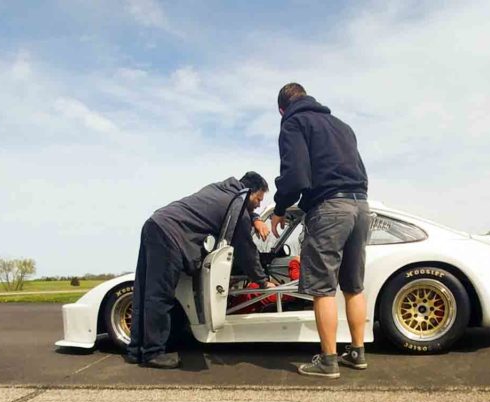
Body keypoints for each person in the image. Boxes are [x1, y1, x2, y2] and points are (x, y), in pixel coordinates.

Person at [270, 83, 369, 379]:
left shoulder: (294, 123)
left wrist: (279, 208)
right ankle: (357, 352)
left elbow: (296, 175)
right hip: (361, 206)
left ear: (281, 109)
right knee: (353, 285)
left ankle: (328, 361)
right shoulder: (343, 126)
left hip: (329, 208)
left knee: (323, 288)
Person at [127, 172, 274, 368]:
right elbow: (246, 251)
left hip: (155, 224)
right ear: (249, 193)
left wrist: (255, 218)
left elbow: (241, 207)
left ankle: (136, 349)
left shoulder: (222, 189)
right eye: (258, 200)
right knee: (160, 295)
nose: (258, 205)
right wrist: (263, 280)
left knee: (144, 291)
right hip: (170, 236)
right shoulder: (237, 206)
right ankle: (153, 353)